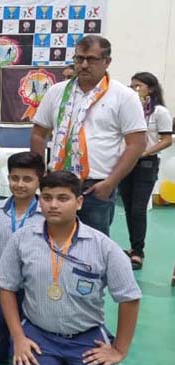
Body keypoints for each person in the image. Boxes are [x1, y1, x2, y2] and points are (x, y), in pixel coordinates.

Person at [0, 171, 141, 365]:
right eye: (47, 197)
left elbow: (129, 298)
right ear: (40, 201)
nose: (53, 205)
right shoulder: (22, 239)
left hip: (86, 337)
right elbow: (6, 287)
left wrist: (119, 349)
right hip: (38, 334)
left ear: (79, 202)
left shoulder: (103, 247)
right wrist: (19, 338)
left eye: (63, 198)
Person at [30, 35, 147, 236]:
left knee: (92, 247)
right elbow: (39, 134)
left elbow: (136, 144)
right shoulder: (57, 92)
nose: (83, 65)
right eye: (79, 58)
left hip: (96, 187)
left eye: (91, 59)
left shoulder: (123, 96)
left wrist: (110, 183)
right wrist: (40, 173)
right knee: (51, 241)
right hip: (57, 181)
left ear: (107, 62)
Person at [0, 152, 45, 364]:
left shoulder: (47, 214)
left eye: (27, 179)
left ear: (39, 180)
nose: (20, 184)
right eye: (15, 178)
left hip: (34, 292)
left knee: (27, 354)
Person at [120, 72, 172, 269]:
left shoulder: (159, 112)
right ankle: (133, 247)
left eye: (138, 86)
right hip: (126, 163)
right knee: (128, 207)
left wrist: (144, 152)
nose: (133, 90)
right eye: (131, 86)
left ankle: (138, 252)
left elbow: (166, 139)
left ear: (150, 88)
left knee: (138, 209)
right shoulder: (129, 111)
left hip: (146, 164)